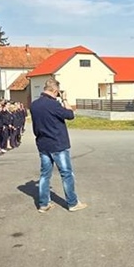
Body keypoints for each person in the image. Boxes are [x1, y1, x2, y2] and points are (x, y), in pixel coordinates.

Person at [31, 78, 86, 213]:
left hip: (43, 143)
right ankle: (72, 202)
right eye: (57, 93)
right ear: (55, 91)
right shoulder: (53, 105)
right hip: (57, 144)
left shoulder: (34, 105)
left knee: (45, 175)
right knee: (66, 174)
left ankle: (44, 203)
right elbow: (70, 115)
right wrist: (65, 100)